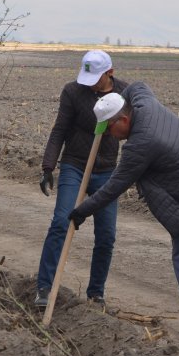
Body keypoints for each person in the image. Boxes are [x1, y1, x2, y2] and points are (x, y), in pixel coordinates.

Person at [70, 82, 179, 349]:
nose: (110, 136)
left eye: (111, 129)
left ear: (124, 119)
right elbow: (137, 85)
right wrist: (112, 97)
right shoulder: (143, 102)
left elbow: (114, 187)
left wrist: (82, 211)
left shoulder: (141, 145)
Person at [35, 50, 127, 308]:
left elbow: (135, 131)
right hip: (75, 166)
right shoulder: (73, 92)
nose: (89, 83)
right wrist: (48, 167)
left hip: (107, 170)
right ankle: (44, 286)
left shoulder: (123, 92)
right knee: (61, 222)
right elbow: (59, 130)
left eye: (96, 78)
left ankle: (96, 294)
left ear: (110, 73)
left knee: (107, 235)